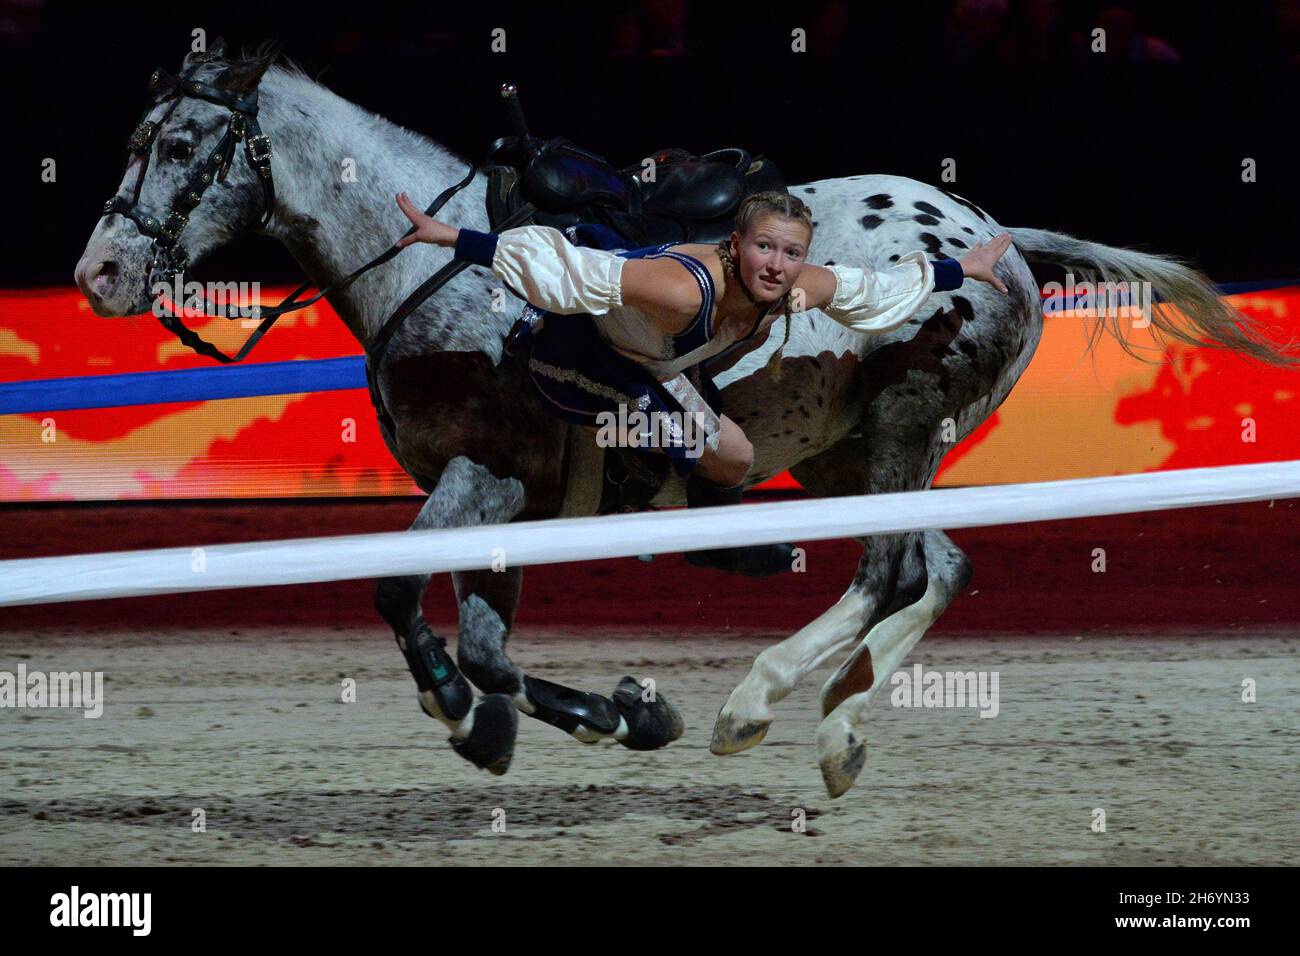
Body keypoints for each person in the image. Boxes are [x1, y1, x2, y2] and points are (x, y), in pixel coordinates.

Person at [393, 189, 1014, 575]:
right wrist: (452, 237)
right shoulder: (680, 290)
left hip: (660, 361)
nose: (776, 265)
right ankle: (674, 522)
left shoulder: (800, 285)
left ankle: (705, 537)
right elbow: (565, 269)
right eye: (764, 247)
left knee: (730, 452)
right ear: (735, 244)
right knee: (731, 452)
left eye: (791, 252)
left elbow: (873, 291)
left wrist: (964, 267)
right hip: (578, 357)